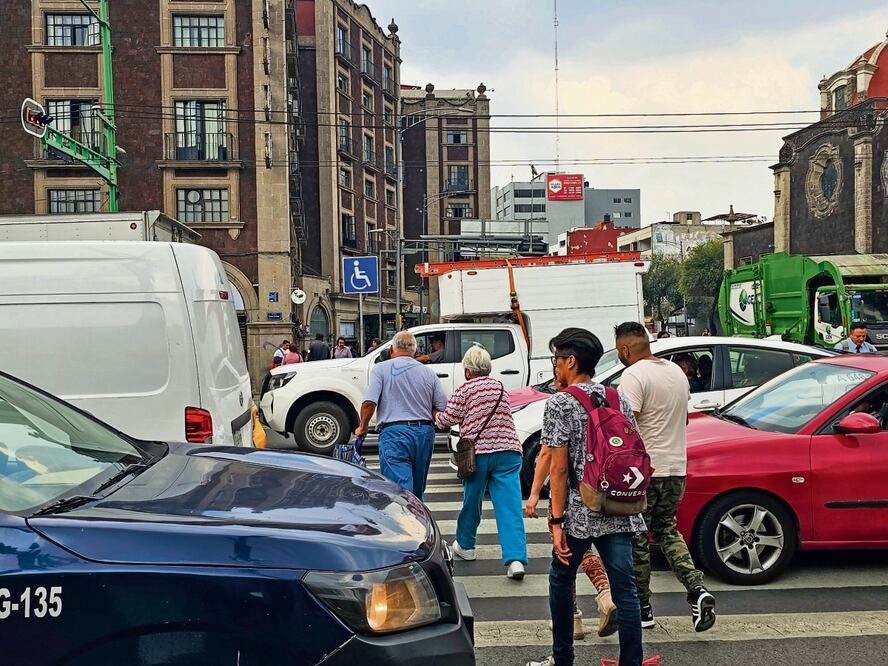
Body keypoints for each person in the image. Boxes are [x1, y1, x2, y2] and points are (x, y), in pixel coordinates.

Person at [526, 327, 645, 666]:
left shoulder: (560, 403)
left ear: (571, 361)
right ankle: (631, 661)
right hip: (618, 503)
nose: (556, 366)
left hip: (580, 511)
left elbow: (559, 470)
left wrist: (556, 520)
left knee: (561, 580)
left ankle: (563, 658)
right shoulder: (616, 396)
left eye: (557, 360)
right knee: (625, 589)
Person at [614, 321, 716, 634]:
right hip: (676, 467)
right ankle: (697, 589)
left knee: (638, 537)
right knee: (667, 530)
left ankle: (643, 608)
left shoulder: (633, 375)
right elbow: (682, 419)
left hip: (644, 472)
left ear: (626, 349)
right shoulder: (675, 372)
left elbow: (625, 425)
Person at [525, 370, 618, 640]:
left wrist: (534, 494)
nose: (555, 374)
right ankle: (605, 595)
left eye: (557, 367)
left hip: (566, 495)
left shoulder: (561, 403)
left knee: (565, 553)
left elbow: (548, 455)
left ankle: (574, 618)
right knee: (580, 549)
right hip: (599, 489)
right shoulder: (605, 397)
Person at [434, 346, 528, 580]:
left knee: (472, 502)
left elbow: (447, 420)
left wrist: (436, 414)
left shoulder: (465, 389)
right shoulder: (499, 387)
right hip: (508, 451)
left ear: (467, 370)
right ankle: (515, 559)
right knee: (510, 507)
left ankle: (466, 546)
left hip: (478, 455)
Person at [354, 331, 447, 500]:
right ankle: (418, 523)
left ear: (391, 349)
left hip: (394, 434)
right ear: (415, 351)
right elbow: (441, 407)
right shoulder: (428, 373)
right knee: (417, 491)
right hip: (424, 433)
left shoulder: (380, 369)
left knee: (400, 491)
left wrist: (363, 427)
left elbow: (369, 403)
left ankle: (406, 524)